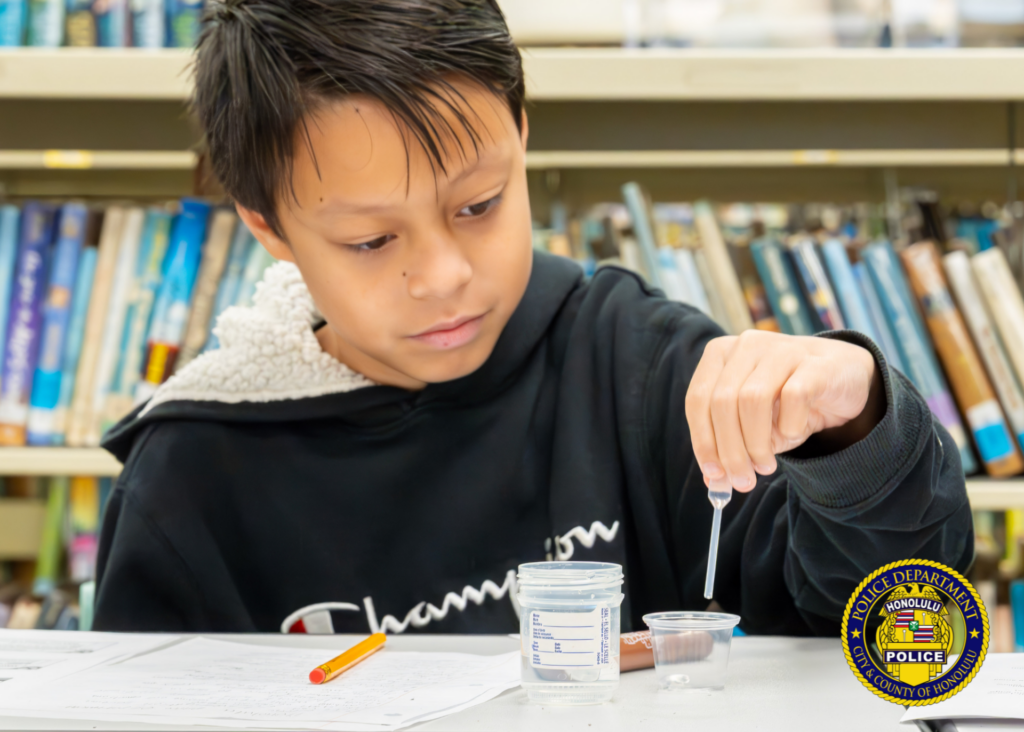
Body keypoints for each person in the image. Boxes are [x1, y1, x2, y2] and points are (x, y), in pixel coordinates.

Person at [93, 0, 971, 635]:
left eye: (478, 204)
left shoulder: (642, 367)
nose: (442, 276)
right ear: (268, 226)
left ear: (520, 133)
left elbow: (892, 612)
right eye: (368, 240)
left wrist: (855, 428)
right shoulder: (191, 476)